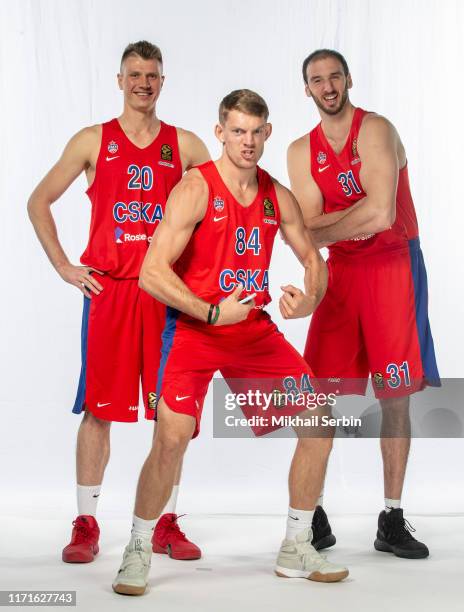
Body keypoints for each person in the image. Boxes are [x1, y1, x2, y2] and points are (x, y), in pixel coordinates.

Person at [111, 89, 349, 595]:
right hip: (196, 328)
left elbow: (313, 260)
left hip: (252, 330)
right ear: (220, 133)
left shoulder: (276, 194)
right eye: (237, 131)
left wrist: (308, 300)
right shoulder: (196, 189)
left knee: (318, 420)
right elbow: (152, 272)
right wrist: (211, 310)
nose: (247, 141)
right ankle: (137, 546)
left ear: (267, 133)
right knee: (171, 438)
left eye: (256, 132)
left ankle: (296, 545)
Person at [27, 40, 210, 565]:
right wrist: (64, 264)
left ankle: (164, 522)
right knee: (98, 411)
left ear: (163, 81)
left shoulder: (186, 145)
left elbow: (224, 200)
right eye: (135, 74)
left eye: (152, 75)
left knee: (171, 412)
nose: (143, 83)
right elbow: (38, 200)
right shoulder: (92, 140)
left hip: (163, 295)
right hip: (108, 291)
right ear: (120, 79)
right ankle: (86, 522)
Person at [287, 48, 440, 559]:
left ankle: (391, 517)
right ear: (305, 88)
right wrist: (332, 225)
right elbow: (304, 230)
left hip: (393, 265)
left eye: (334, 77)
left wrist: (326, 225)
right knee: (318, 392)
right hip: (340, 274)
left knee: (395, 394)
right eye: (317, 80)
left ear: (348, 79)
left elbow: (379, 215)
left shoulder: (376, 130)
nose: (327, 87)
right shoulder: (298, 150)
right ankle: (314, 513)